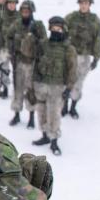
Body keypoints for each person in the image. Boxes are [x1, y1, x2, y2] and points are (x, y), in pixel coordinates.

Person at [32, 17, 78, 156]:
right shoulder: (43, 44)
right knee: (41, 111)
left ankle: (54, 141)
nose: (55, 31)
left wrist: (69, 88)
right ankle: (45, 135)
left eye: (58, 28)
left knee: (54, 114)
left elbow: (72, 70)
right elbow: (36, 62)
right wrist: (33, 82)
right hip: (42, 84)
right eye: (53, 28)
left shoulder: (68, 49)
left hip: (57, 86)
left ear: (63, 30)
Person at [7, 0, 46, 129]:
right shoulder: (16, 24)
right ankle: (17, 113)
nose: (25, 13)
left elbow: (44, 43)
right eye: (23, 11)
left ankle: (31, 117)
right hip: (19, 61)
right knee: (18, 88)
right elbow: (9, 37)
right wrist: (11, 50)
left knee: (31, 91)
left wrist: (35, 36)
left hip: (32, 63)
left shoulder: (38, 25)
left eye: (27, 11)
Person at [63, 0, 100, 119]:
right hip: (70, 55)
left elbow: (98, 39)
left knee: (78, 83)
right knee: (66, 80)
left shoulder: (95, 20)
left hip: (84, 57)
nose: (84, 6)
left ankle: (73, 107)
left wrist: (96, 58)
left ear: (90, 4)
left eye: (86, 3)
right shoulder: (71, 18)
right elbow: (60, 32)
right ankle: (64, 105)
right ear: (79, 4)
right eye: (82, 3)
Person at [0, 0, 21, 99]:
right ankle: (5, 88)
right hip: (3, 48)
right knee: (4, 69)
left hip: (17, 48)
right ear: (6, 3)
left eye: (14, 3)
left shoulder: (20, 17)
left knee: (18, 71)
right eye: (10, 3)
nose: (12, 5)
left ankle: (17, 90)